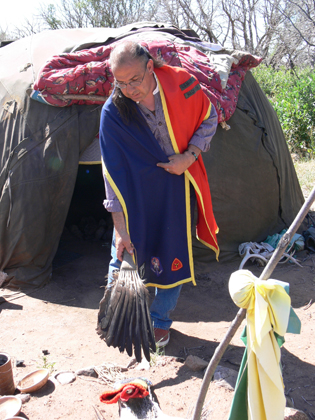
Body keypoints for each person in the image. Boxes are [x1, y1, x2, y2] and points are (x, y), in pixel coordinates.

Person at [99, 40, 219, 348]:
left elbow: (210, 116)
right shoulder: (113, 112)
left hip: (176, 189)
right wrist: (120, 227)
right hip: (135, 195)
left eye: (134, 80)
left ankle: (160, 321)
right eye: (121, 83)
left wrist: (189, 156)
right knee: (123, 253)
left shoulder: (181, 84)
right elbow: (111, 172)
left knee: (173, 251)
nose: (129, 89)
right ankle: (118, 318)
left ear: (150, 66)